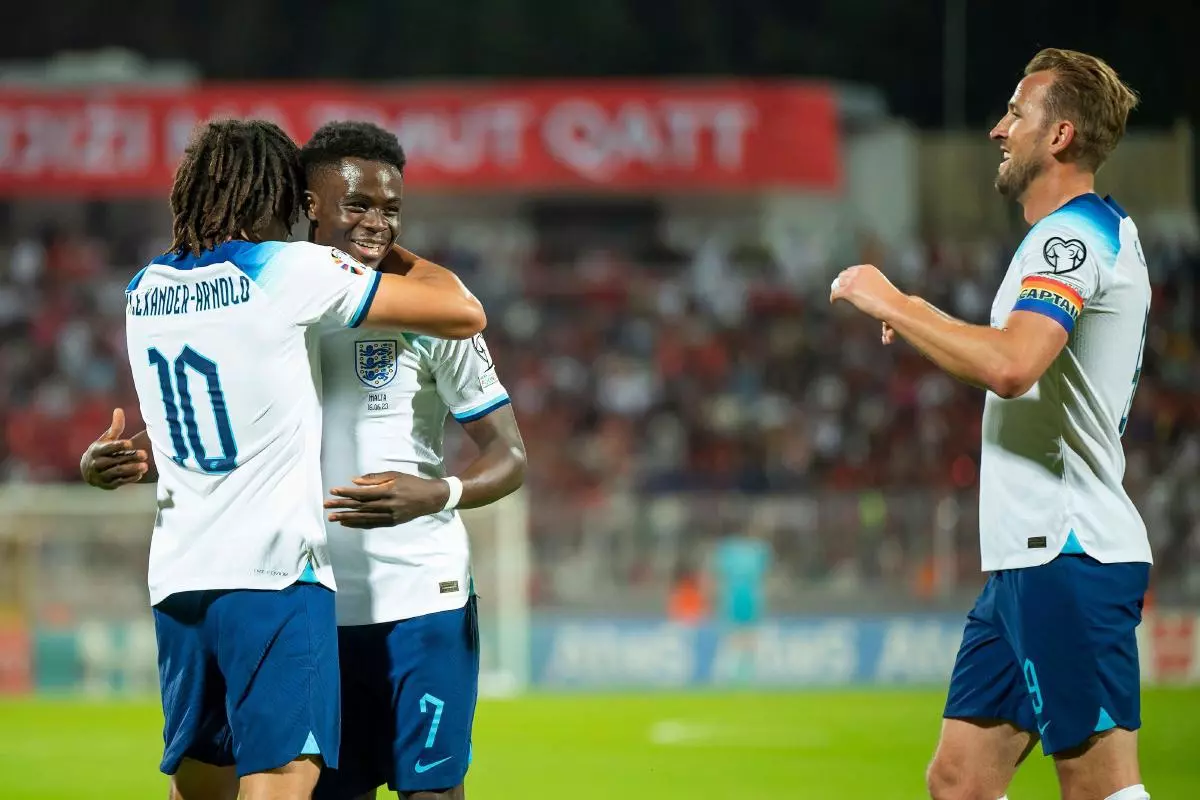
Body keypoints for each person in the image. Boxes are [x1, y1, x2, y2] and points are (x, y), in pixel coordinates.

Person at [85, 121, 523, 800]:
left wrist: (438, 494)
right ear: (304, 203)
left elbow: (511, 453)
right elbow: (463, 309)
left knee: (430, 793)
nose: (377, 224)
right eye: (358, 206)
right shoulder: (289, 284)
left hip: (419, 596)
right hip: (301, 595)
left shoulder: (166, 286)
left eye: (392, 210)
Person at [830, 49, 1151, 800]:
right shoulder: (1069, 238)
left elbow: (1013, 365)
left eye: (1017, 112)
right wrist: (919, 320)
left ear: (1061, 135)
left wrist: (896, 302)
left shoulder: (1071, 238)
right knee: (960, 781)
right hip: (1022, 560)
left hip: (1068, 551)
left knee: (1099, 786)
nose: (998, 129)